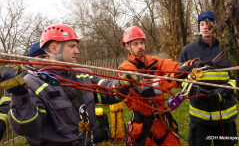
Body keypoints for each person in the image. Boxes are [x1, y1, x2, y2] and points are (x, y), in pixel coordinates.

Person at [0, 24, 130, 146]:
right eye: (72, 46)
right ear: (54, 48)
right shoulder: (34, 83)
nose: (77, 51)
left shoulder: (83, 74)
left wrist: (122, 83)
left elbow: (105, 90)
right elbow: (27, 127)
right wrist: (20, 95)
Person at [118, 26, 207, 146]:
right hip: (143, 126)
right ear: (127, 46)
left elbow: (171, 66)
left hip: (162, 121)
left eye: (142, 43)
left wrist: (190, 65)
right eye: (136, 44)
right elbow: (145, 89)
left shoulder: (153, 61)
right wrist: (175, 78)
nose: (140, 46)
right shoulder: (125, 70)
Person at [179, 11, 238, 146]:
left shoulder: (228, 49)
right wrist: (194, 91)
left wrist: (225, 91)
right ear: (199, 27)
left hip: (225, 116)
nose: (205, 27)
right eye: (202, 24)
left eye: (209, 23)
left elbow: (237, 79)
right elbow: (180, 79)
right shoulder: (188, 51)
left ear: (215, 25)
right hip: (199, 118)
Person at [0, 42, 48, 140]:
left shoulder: (54, 76)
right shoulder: (21, 79)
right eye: (42, 57)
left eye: (49, 56)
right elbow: (6, 105)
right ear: (30, 59)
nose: (47, 60)